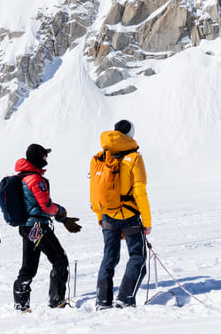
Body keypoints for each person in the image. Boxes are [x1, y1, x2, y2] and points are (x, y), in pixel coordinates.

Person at [91, 119, 152, 309]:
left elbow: (96, 189)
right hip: (129, 214)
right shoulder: (134, 158)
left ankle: (102, 300)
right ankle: (125, 298)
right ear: (130, 135)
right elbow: (140, 191)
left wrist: (100, 216)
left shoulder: (100, 157)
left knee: (109, 256)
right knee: (138, 256)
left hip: (107, 214)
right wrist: (147, 221)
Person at [13, 143, 81, 311]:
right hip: (38, 227)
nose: (46, 159)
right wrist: (62, 212)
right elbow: (47, 206)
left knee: (28, 267)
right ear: (38, 158)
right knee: (60, 260)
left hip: (27, 227)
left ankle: (21, 304)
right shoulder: (35, 179)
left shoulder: (23, 177)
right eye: (44, 156)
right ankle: (57, 300)